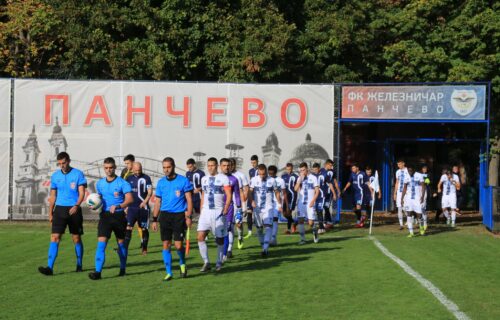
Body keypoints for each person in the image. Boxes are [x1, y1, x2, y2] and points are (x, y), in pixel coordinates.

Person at [38, 152, 87, 276]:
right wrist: (50, 213)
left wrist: (76, 205)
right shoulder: (55, 176)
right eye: (59, 164)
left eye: (64, 163)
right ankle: (49, 268)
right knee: (55, 237)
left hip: (74, 210)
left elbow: (82, 193)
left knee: (76, 238)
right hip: (59, 210)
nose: (62, 166)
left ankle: (79, 264)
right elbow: (53, 196)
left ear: (69, 161)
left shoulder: (78, 174)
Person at [88, 157, 133, 280]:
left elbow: (130, 199)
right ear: (104, 168)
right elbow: (99, 199)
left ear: (115, 168)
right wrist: (94, 205)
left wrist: (119, 205)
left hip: (119, 216)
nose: (108, 170)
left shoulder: (122, 183)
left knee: (121, 244)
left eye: (111, 168)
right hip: (105, 217)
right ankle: (98, 272)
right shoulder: (100, 183)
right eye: (106, 168)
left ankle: (123, 269)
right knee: (101, 244)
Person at [151, 157, 193, 281]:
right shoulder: (161, 182)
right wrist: (154, 219)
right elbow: (157, 202)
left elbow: (189, 200)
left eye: (168, 167)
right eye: (164, 167)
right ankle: (169, 272)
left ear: (173, 166)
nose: (166, 170)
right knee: (166, 244)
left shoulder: (183, 181)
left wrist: (189, 216)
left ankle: (182, 263)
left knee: (178, 245)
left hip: (179, 216)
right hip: (164, 216)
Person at [197, 157, 232, 272]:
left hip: (218, 211)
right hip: (206, 212)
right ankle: (206, 262)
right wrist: (202, 209)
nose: (210, 167)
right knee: (200, 236)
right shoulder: (204, 179)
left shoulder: (223, 178)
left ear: (216, 166)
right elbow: (203, 194)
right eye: (208, 165)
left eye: (212, 165)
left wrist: (226, 207)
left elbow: (228, 194)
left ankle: (218, 262)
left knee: (219, 239)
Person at [248, 164, 281, 256]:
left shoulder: (272, 180)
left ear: (266, 172)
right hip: (257, 209)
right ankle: (263, 246)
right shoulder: (254, 180)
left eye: (264, 174)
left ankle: (265, 249)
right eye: (261, 174)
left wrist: (279, 204)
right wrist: (252, 201)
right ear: (258, 172)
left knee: (268, 227)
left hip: (268, 207)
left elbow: (277, 193)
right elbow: (249, 193)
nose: (262, 176)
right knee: (259, 229)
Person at [125, 162, 152, 255]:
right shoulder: (129, 179)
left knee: (144, 228)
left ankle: (144, 248)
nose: (138, 172)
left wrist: (145, 202)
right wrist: (126, 206)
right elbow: (126, 193)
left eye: (139, 170)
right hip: (132, 208)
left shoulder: (146, 178)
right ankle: (125, 249)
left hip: (143, 208)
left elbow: (150, 192)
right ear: (132, 169)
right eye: (136, 170)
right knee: (128, 228)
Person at [222, 158, 242, 260]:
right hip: (217, 208)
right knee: (219, 232)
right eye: (224, 166)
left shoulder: (234, 179)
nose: (227, 167)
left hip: (229, 207)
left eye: (228, 166)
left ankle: (228, 250)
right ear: (220, 166)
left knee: (228, 228)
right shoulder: (216, 178)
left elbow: (237, 195)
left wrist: (239, 208)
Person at [295, 162, 320, 244]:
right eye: (301, 170)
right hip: (301, 203)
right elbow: (295, 189)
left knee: (310, 223)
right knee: (300, 220)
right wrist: (300, 180)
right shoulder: (300, 178)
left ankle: (315, 231)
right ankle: (303, 239)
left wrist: (313, 200)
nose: (302, 172)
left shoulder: (313, 178)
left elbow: (317, 191)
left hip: (310, 202)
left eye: (303, 170)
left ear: (307, 169)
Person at [401, 165, 425, 237]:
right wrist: (402, 198)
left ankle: (421, 229)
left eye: (411, 171)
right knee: (409, 214)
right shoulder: (406, 176)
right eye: (408, 171)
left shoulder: (419, 175)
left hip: (417, 198)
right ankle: (411, 232)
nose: (409, 172)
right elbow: (404, 188)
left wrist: (422, 196)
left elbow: (423, 186)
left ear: (414, 170)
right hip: (409, 199)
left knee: (419, 215)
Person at [230, 158, 248, 249]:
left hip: (238, 204)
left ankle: (240, 237)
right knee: (230, 225)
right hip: (228, 205)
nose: (230, 166)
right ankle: (229, 248)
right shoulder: (224, 176)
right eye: (229, 164)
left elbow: (245, 190)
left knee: (239, 224)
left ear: (235, 164)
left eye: (232, 164)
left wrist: (244, 204)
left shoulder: (240, 176)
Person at [267, 165, 287, 245]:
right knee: (269, 221)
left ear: (275, 173)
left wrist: (283, 205)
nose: (270, 175)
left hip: (277, 203)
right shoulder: (266, 180)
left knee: (275, 220)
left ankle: (273, 239)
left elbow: (284, 193)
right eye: (269, 173)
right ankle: (269, 238)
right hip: (268, 203)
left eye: (272, 173)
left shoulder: (280, 180)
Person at [320, 159, 339, 229]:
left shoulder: (332, 172)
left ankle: (327, 223)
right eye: (330, 165)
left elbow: (334, 182)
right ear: (326, 164)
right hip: (322, 193)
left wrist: (337, 192)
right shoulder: (321, 171)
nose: (331, 167)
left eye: (332, 165)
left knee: (326, 207)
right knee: (322, 208)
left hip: (329, 193)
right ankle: (327, 222)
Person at [281, 163, 298, 234]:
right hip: (285, 196)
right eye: (287, 169)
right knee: (284, 213)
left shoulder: (295, 176)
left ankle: (288, 229)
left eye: (290, 169)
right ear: (286, 168)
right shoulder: (283, 176)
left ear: (292, 168)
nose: (289, 171)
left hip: (292, 196)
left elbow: (298, 186)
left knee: (289, 212)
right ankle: (294, 222)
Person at [245, 154, 259, 238]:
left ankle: (258, 230)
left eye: (254, 162)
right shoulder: (250, 170)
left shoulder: (261, 170)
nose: (253, 164)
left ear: (257, 161)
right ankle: (249, 231)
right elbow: (251, 182)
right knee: (249, 212)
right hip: (251, 193)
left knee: (257, 213)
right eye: (252, 163)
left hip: (258, 194)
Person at [311, 163, 327, 234]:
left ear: (319, 168)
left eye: (316, 169)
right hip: (314, 196)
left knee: (319, 210)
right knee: (316, 211)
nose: (315, 171)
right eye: (314, 169)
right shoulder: (312, 176)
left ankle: (321, 227)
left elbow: (329, 183)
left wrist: (333, 193)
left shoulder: (324, 174)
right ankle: (321, 226)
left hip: (321, 196)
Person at [394, 159, 409, 230]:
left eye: (399, 164)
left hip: (407, 192)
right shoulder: (397, 172)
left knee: (405, 208)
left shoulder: (408, 171)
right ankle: (401, 225)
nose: (398, 165)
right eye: (397, 164)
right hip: (399, 192)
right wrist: (395, 193)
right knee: (399, 208)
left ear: (403, 163)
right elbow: (397, 182)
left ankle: (410, 219)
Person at [419, 165, 431, 231]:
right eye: (423, 168)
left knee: (423, 209)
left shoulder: (428, 175)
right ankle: (419, 222)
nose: (425, 169)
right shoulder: (418, 175)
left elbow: (428, 182)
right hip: (418, 193)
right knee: (418, 208)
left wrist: (426, 180)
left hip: (425, 192)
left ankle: (425, 223)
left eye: (426, 168)